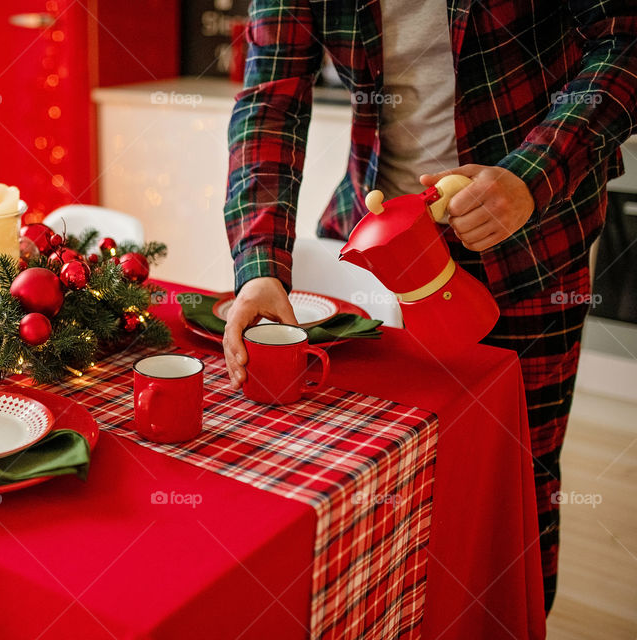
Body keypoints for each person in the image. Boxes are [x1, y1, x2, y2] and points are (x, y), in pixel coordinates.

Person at [221, 0, 636, 613]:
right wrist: (258, 267)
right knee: (376, 481)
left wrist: (532, 174)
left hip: (530, 246)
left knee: (515, 490)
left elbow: (625, 44)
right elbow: (270, 103)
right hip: (375, 257)